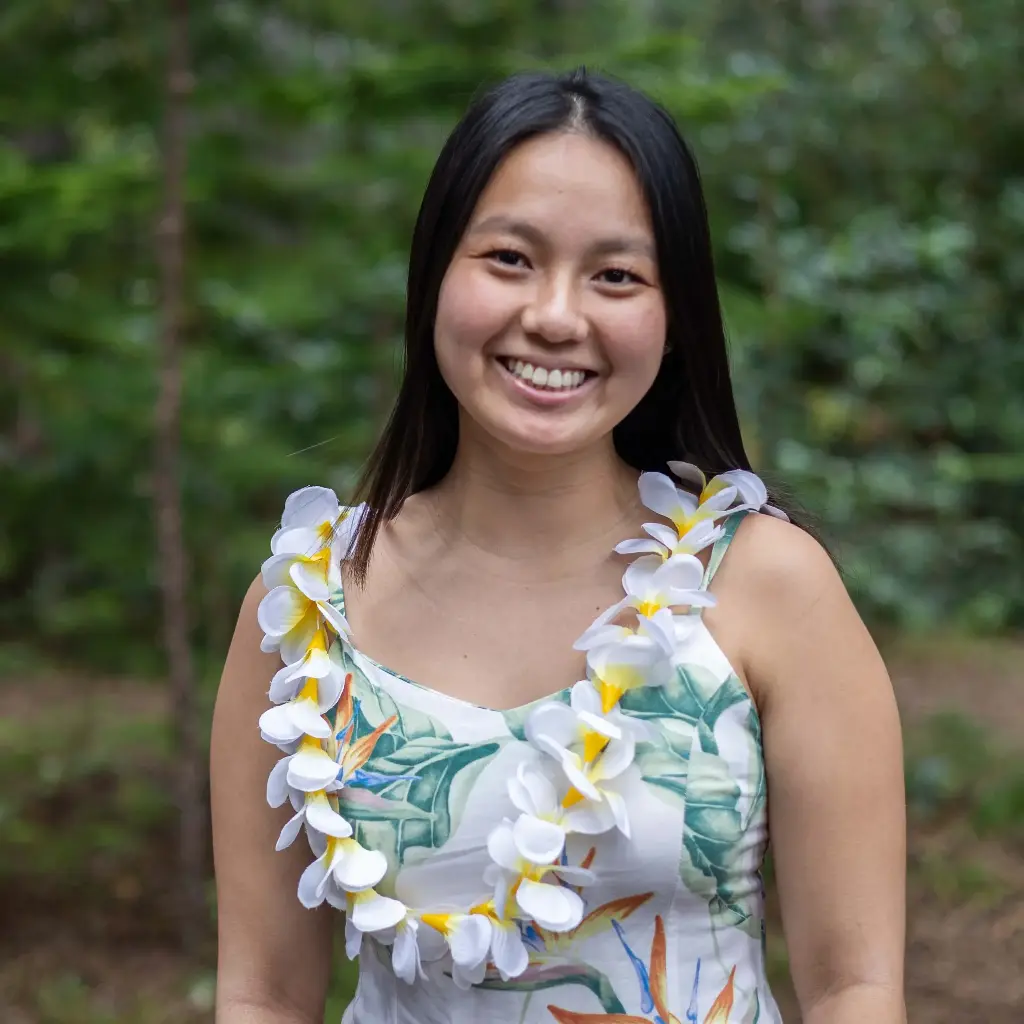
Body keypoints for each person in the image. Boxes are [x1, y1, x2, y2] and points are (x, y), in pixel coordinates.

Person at [210, 69, 906, 1024]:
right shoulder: (306, 609)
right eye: (509, 258)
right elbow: (263, 997)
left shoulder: (767, 586)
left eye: (617, 275)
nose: (555, 316)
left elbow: (853, 989)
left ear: (674, 319)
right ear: (435, 275)